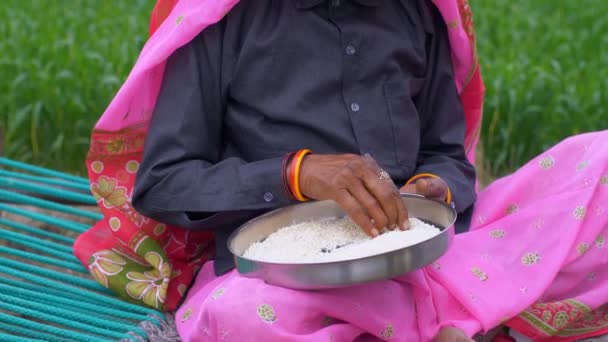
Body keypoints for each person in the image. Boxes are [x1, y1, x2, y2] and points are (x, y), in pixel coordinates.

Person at [73, 0, 608, 341]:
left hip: (431, 252)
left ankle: (444, 316)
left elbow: (447, 153)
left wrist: (433, 187)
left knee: (599, 161)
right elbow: (164, 182)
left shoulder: (418, 12)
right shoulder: (222, 20)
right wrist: (295, 176)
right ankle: (461, 322)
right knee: (244, 316)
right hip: (291, 282)